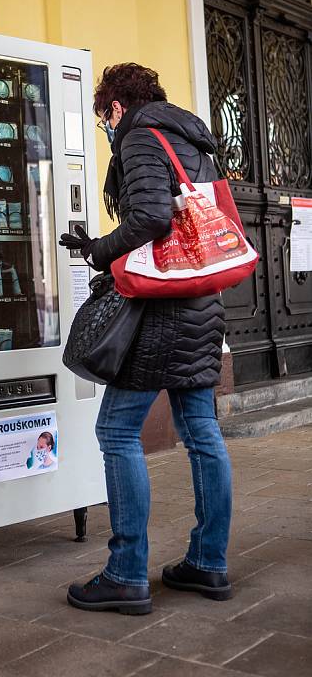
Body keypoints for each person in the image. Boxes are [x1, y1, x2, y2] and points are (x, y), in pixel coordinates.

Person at [59, 63, 232, 615]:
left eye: (102, 117)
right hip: (201, 302)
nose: (105, 128)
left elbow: (154, 218)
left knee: (116, 430)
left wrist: (98, 250)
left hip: (159, 313)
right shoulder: (189, 139)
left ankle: (126, 572)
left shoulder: (138, 138)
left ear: (114, 108)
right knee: (202, 430)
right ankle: (208, 564)